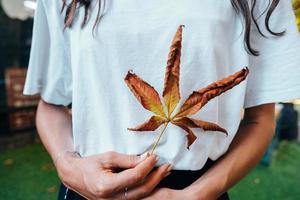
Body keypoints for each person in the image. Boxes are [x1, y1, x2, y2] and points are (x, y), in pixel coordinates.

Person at [23, 0, 300, 199]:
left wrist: (195, 195)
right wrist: (67, 164)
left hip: (198, 187)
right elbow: (50, 104)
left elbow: (259, 120)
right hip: (87, 188)